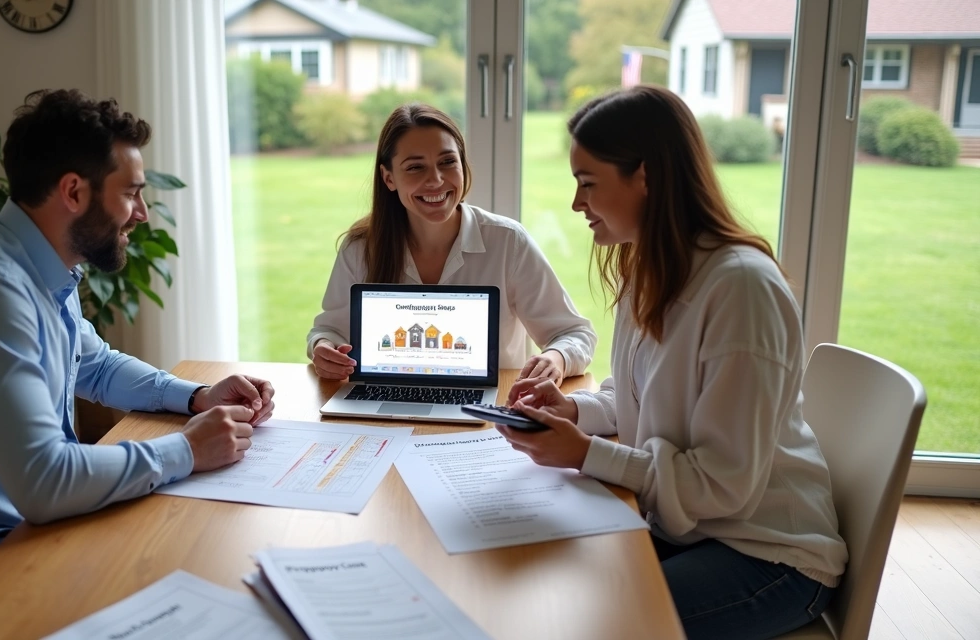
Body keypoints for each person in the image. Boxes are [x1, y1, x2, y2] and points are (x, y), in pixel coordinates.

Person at [0, 89, 276, 633]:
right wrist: (188, 448)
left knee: (187, 564)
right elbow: (46, 482)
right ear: (74, 191)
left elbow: (92, 366)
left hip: (9, 523)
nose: (142, 214)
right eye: (132, 194)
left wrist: (195, 396)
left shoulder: (41, 263)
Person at [498, 86, 847, 640]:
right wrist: (573, 409)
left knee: (590, 623)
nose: (576, 203)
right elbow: (635, 395)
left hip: (767, 555)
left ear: (647, 177)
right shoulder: (653, 268)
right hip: (688, 528)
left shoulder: (742, 290)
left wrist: (587, 454)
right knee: (540, 581)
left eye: (588, 183)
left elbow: (722, 484)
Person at [308, 104, 596, 384]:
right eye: (415, 167)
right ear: (388, 178)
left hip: (489, 412)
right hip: (386, 412)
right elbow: (329, 331)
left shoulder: (508, 242)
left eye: (447, 162)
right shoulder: (360, 248)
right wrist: (324, 348)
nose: (435, 180)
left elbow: (574, 333)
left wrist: (557, 357)